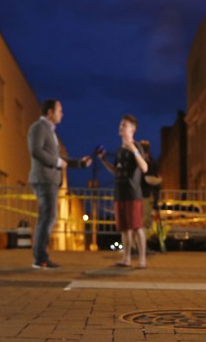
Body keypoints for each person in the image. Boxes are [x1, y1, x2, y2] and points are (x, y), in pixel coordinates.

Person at [27, 99, 91, 269]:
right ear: (49, 112)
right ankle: (40, 257)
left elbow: (59, 159)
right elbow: (36, 151)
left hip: (50, 180)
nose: (62, 114)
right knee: (47, 217)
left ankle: (40, 256)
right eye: (59, 110)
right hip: (44, 179)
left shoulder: (51, 131)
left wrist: (79, 163)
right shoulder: (38, 128)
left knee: (48, 217)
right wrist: (56, 162)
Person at [98, 115, 149, 269]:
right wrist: (103, 160)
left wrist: (134, 150)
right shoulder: (119, 150)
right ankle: (126, 258)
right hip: (119, 194)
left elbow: (144, 168)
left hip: (133, 194)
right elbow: (116, 171)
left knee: (137, 226)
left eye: (124, 125)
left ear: (132, 129)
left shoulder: (137, 147)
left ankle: (142, 259)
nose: (121, 127)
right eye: (121, 125)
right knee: (124, 228)